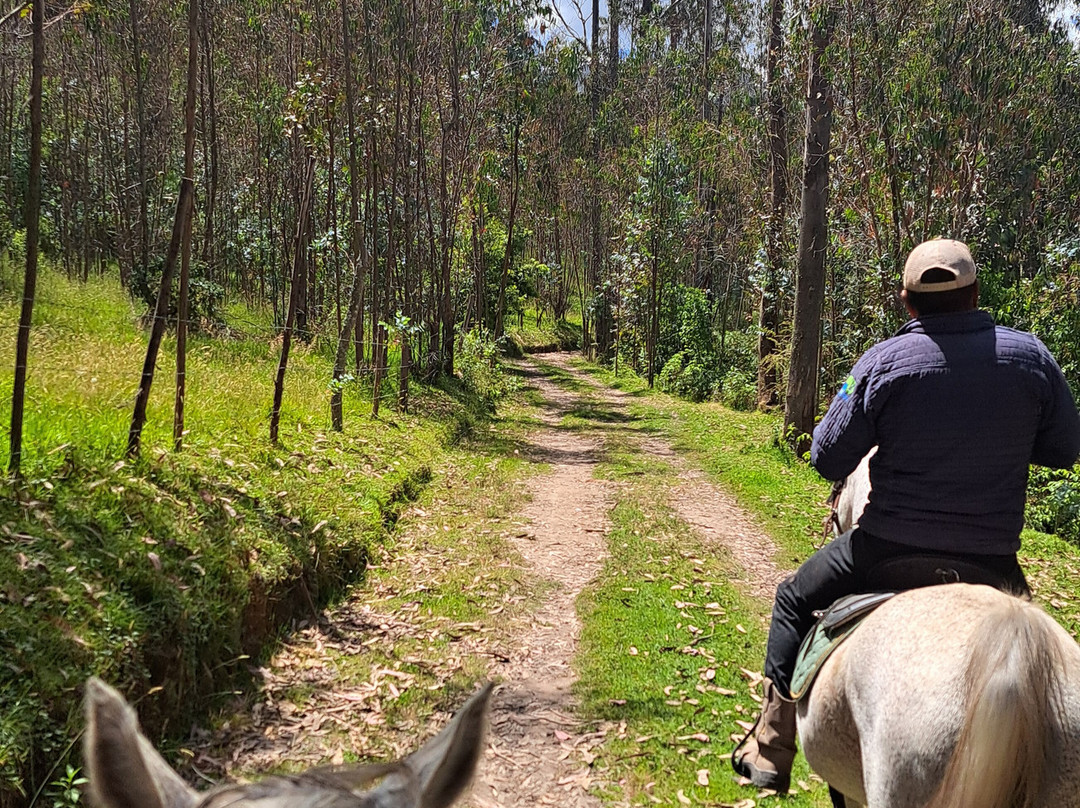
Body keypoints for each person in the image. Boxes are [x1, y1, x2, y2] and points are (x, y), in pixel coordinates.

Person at [731, 238, 1080, 792]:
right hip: (993, 561)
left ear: (907, 301)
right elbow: (1064, 449)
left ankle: (771, 745)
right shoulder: (1031, 358)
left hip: (885, 550)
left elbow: (827, 456)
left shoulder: (881, 362)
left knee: (793, 598)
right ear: (975, 295)